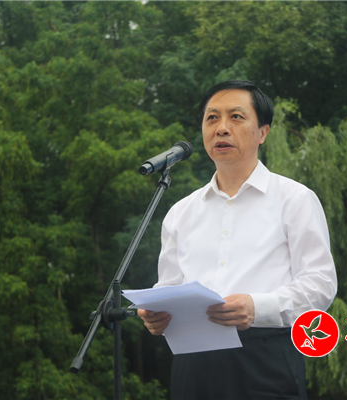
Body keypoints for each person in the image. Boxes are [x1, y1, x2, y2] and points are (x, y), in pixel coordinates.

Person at [138, 80, 337, 399]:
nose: (221, 128)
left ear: (263, 132)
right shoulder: (181, 212)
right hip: (192, 363)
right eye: (212, 118)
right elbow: (170, 286)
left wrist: (257, 307)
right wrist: (157, 313)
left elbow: (321, 284)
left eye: (236, 117)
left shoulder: (294, 199)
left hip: (264, 358)